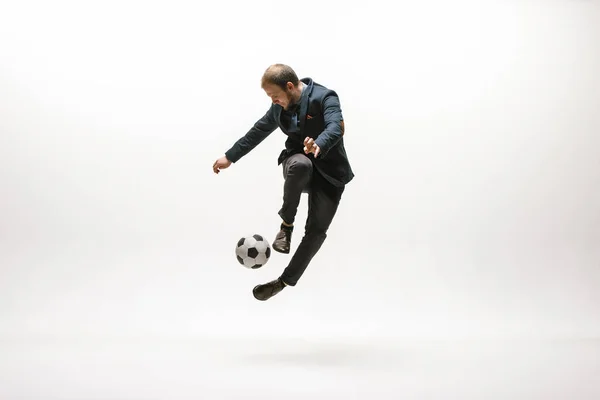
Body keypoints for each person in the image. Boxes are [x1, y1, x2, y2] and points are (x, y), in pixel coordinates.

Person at [212, 64, 354, 301]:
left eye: (274, 96)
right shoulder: (278, 109)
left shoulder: (325, 97)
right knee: (301, 164)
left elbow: (335, 126)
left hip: (330, 172)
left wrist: (319, 144)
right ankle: (286, 227)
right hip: (299, 165)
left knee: (317, 232)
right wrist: (230, 157)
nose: (273, 101)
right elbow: (257, 131)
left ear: (290, 86)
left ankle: (283, 281)